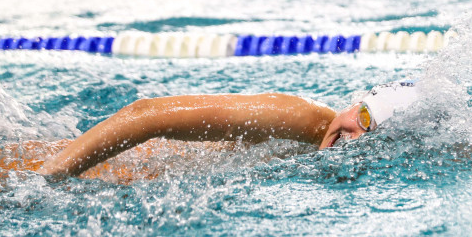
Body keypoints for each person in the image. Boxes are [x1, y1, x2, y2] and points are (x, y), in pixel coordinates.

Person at [37, 81, 419, 178]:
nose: (354, 138)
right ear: (357, 104)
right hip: (104, 164)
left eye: (372, 135)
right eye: (362, 119)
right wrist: (53, 173)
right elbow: (147, 114)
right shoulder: (299, 117)